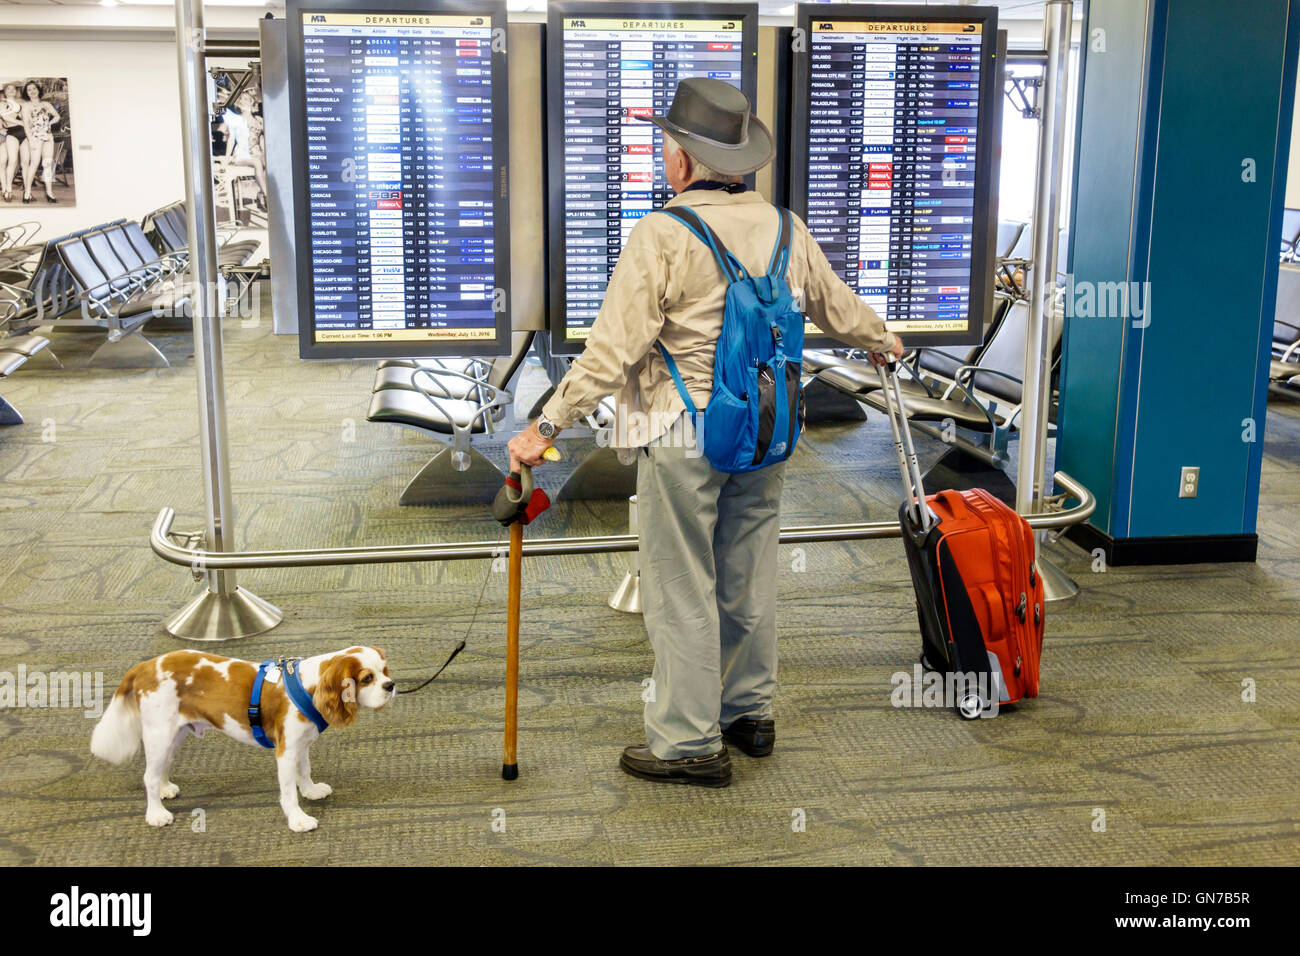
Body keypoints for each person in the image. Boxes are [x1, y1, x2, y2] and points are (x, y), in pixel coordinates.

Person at [507, 78, 904, 788]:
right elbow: (838, 310)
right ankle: (749, 713)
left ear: (685, 161)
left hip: (685, 428)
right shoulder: (785, 226)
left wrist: (546, 424)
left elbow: (613, 350)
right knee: (748, 571)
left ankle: (689, 742)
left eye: (668, 147)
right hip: (768, 426)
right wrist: (883, 339)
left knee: (682, 582)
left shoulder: (663, 232)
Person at [20, 81, 59, 204]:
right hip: (35, 136)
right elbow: (26, 125)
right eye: (29, 90)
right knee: (34, 164)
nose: (32, 91)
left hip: (48, 136)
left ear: (38, 90)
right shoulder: (26, 106)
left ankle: (49, 193)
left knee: (48, 163)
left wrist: (49, 123)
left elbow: (57, 116)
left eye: (34, 88)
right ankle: (27, 192)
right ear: (27, 93)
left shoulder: (46, 104)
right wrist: (31, 140)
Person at [0, 84, 28, 204]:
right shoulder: (2, 104)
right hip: (4, 134)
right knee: (2, 162)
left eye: (13, 89)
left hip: (16, 133)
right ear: (5, 92)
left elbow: (25, 118)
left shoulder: (19, 104)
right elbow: (4, 117)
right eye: (8, 89)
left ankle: (8, 189)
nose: (11, 91)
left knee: (15, 162)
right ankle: (6, 188)